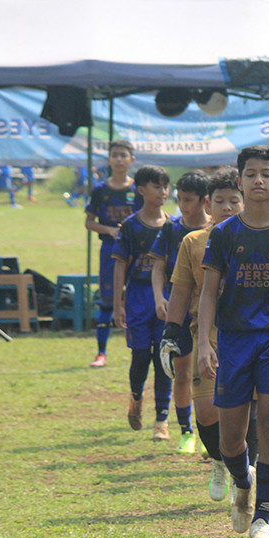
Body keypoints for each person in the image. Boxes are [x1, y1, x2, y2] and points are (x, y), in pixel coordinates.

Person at [198, 145, 269, 538]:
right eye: (250, 173)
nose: (258, 180)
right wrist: (203, 344)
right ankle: (242, 480)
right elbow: (209, 291)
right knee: (231, 439)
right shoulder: (225, 234)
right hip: (232, 342)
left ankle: (262, 519)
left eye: (266, 173)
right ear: (240, 180)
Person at [160, 169, 253, 502]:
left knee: (249, 409)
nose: (227, 207)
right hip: (206, 337)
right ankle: (219, 460)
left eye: (233, 200)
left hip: (250, 335)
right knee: (207, 412)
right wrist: (170, 333)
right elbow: (182, 291)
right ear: (208, 204)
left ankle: (244, 472)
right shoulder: (193, 242)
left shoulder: (259, 237)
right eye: (220, 201)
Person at [150, 170, 211, 454]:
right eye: (179, 199)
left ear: (204, 201)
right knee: (183, 372)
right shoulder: (171, 229)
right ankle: (187, 432)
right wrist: (160, 298)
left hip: (207, 314)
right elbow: (159, 266)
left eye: (188, 199)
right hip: (179, 312)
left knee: (212, 374)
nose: (182, 205)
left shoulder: (216, 231)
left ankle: (213, 433)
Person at [111, 165, 172, 440]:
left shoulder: (173, 225)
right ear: (141, 190)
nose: (163, 191)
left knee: (164, 359)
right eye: (157, 186)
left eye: (165, 186)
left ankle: (162, 420)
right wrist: (117, 304)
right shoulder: (131, 227)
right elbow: (120, 267)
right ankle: (136, 398)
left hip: (166, 298)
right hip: (137, 297)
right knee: (140, 357)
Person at [85, 140, 142, 368]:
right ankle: (101, 352)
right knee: (108, 302)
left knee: (137, 299)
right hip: (110, 250)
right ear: (108, 160)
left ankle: (138, 349)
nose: (119, 159)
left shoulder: (138, 189)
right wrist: (108, 229)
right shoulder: (100, 190)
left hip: (136, 250)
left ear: (131, 160)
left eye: (123, 155)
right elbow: (89, 222)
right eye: (115, 155)